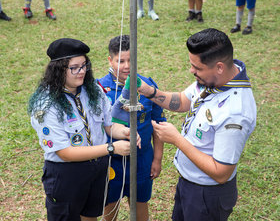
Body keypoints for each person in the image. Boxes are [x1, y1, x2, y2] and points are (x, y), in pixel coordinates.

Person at [138, 28, 257, 220]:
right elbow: (184, 101)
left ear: (219, 67)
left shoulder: (235, 113)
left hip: (207, 195)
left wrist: (176, 139)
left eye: (197, 68)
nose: (192, 71)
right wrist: (149, 91)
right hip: (189, 183)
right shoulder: (215, 79)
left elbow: (221, 173)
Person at [28, 38, 141, 221]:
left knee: (91, 215)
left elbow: (108, 126)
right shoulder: (46, 104)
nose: (81, 72)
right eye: (74, 68)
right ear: (58, 69)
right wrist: (111, 148)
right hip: (67, 174)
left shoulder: (93, 90)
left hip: (97, 169)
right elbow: (65, 153)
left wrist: (125, 132)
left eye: (84, 65)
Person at [98, 35, 166, 221]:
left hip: (142, 159)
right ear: (110, 60)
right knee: (110, 204)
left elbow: (158, 124)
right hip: (112, 161)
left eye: (131, 60)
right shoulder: (99, 88)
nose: (127, 66)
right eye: (121, 61)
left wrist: (157, 159)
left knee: (140, 203)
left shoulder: (147, 87)